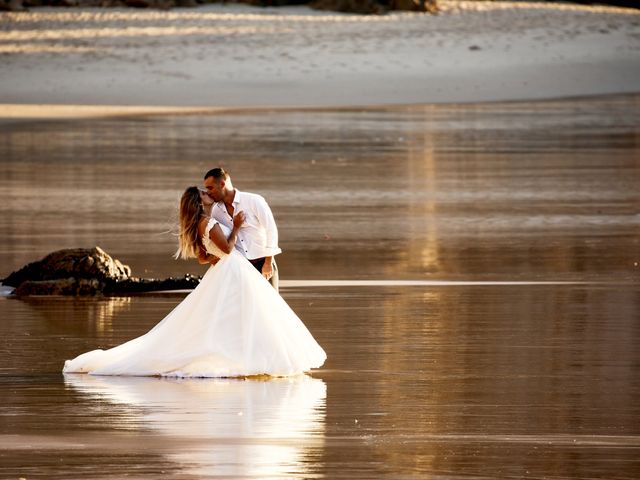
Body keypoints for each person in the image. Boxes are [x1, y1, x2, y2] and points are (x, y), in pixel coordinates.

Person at [62, 186, 326, 378]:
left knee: (234, 316)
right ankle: (250, 356)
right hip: (233, 268)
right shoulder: (208, 222)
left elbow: (203, 257)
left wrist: (219, 254)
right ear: (199, 202)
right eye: (203, 193)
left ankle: (247, 354)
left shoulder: (199, 224)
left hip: (225, 270)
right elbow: (227, 248)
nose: (207, 193)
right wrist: (235, 227)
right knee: (247, 315)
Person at [202, 168, 281, 291]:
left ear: (222, 184)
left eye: (210, 188)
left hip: (264, 264)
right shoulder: (216, 211)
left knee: (271, 307)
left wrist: (268, 262)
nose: (208, 192)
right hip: (239, 269)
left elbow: (271, 230)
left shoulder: (254, 200)